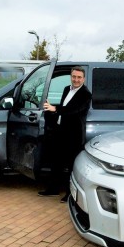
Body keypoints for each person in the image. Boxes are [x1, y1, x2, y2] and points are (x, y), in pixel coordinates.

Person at [40, 66, 91, 201]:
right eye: (74, 77)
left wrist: (55, 108)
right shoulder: (66, 89)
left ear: (83, 79)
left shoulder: (86, 94)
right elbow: (65, 107)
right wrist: (51, 108)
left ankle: (70, 194)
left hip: (74, 135)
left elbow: (73, 111)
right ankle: (53, 189)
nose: (76, 80)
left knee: (71, 166)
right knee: (56, 162)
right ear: (71, 77)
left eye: (79, 77)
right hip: (61, 132)